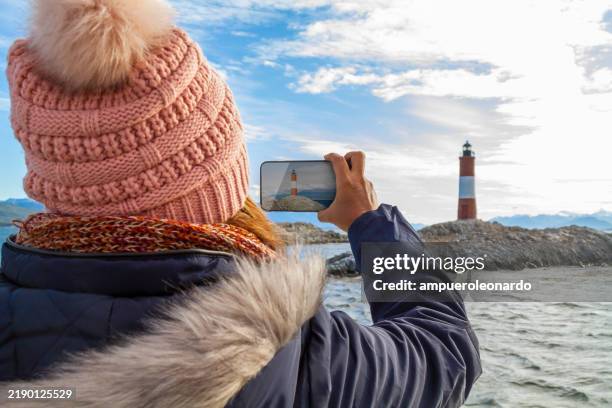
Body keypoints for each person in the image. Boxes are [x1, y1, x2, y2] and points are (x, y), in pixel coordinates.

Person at [0, 0, 481, 406]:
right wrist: (370, 224)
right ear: (223, 180)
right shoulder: (293, 355)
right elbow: (445, 350)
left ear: (53, 179)